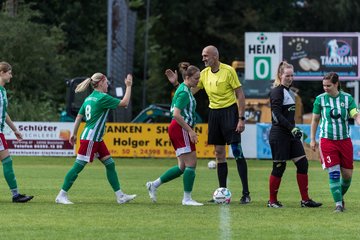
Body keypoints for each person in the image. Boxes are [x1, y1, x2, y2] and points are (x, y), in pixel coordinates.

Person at [166, 46, 251, 204]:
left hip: (230, 113)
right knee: (219, 153)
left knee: (237, 151)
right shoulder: (203, 74)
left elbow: (240, 94)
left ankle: (246, 193)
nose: (203, 58)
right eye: (202, 56)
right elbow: (187, 92)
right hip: (214, 114)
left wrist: (241, 118)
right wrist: (176, 84)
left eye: (206, 56)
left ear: (215, 56)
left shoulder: (228, 71)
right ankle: (222, 192)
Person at [55, 72, 136, 204]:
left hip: (95, 138)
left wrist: (74, 134)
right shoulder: (102, 97)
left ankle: (120, 196)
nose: (107, 85)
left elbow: (78, 117)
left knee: (110, 164)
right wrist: (128, 86)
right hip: (91, 138)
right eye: (106, 82)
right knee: (78, 167)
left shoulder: (89, 98)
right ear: (100, 83)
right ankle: (61, 195)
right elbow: (125, 103)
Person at [146, 63, 203, 206]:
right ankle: (187, 199)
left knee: (182, 167)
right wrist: (190, 131)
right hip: (180, 128)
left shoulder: (184, 88)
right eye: (196, 78)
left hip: (176, 128)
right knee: (191, 163)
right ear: (188, 77)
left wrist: (176, 83)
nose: (198, 81)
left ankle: (154, 185)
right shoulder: (184, 92)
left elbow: (180, 99)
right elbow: (177, 114)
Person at [267, 61, 322, 208]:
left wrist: (295, 130)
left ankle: (305, 200)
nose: (290, 78)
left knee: (303, 164)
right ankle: (272, 201)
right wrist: (292, 128)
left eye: (292, 75)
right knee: (279, 167)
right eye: (287, 75)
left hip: (290, 134)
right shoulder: (277, 91)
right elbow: (276, 115)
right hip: (279, 135)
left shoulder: (288, 91)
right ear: (280, 75)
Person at [310, 72, 360, 213]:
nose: (325, 88)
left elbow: (355, 114)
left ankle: (339, 195)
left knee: (347, 175)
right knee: (334, 174)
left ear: (336, 84)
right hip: (327, 141)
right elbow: (315, 120)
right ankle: (338, 204)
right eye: (324, 85)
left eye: (328, 85)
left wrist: (358, 119)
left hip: (344, 141)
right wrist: (313, 139)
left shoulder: (347, 98)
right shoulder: (320, 99)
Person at [0, 61, 34, 203]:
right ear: (2, 73)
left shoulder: (3, 91)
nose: (11, 76)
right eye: (9, 73)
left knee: (7, 161)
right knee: (7, 161)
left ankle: (16, 195)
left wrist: (14, 129)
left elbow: (4, 113)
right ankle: (15, 195)